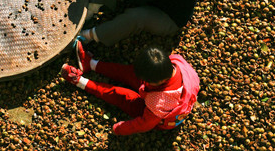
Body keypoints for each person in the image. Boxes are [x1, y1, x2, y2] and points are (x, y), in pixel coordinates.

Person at [61, 41, 200, 135]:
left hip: (161, 118)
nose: (143, 83)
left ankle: (79, 81)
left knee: (122, 95)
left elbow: (145, 124)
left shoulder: (157, 103)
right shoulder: (176, 62)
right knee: (129, 72)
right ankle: (90, 63)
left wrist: (120, 129)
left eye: (146, 82)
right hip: (173, 94)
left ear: (158, 82)